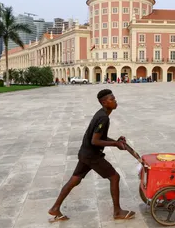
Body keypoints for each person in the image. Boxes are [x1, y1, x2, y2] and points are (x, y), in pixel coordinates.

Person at [48, 89, 135, 222]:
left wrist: (115, 141)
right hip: (92, 156)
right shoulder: (103, 117)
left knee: (74, 180)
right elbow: (95, 141)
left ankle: (55, 208)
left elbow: (100, 136)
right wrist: (115, 145)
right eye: (112, 99)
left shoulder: (102, 114)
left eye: (114, 98)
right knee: (114, 177)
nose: (115, 101)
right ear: (104, 102)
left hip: (85, 153)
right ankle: (117, 212)